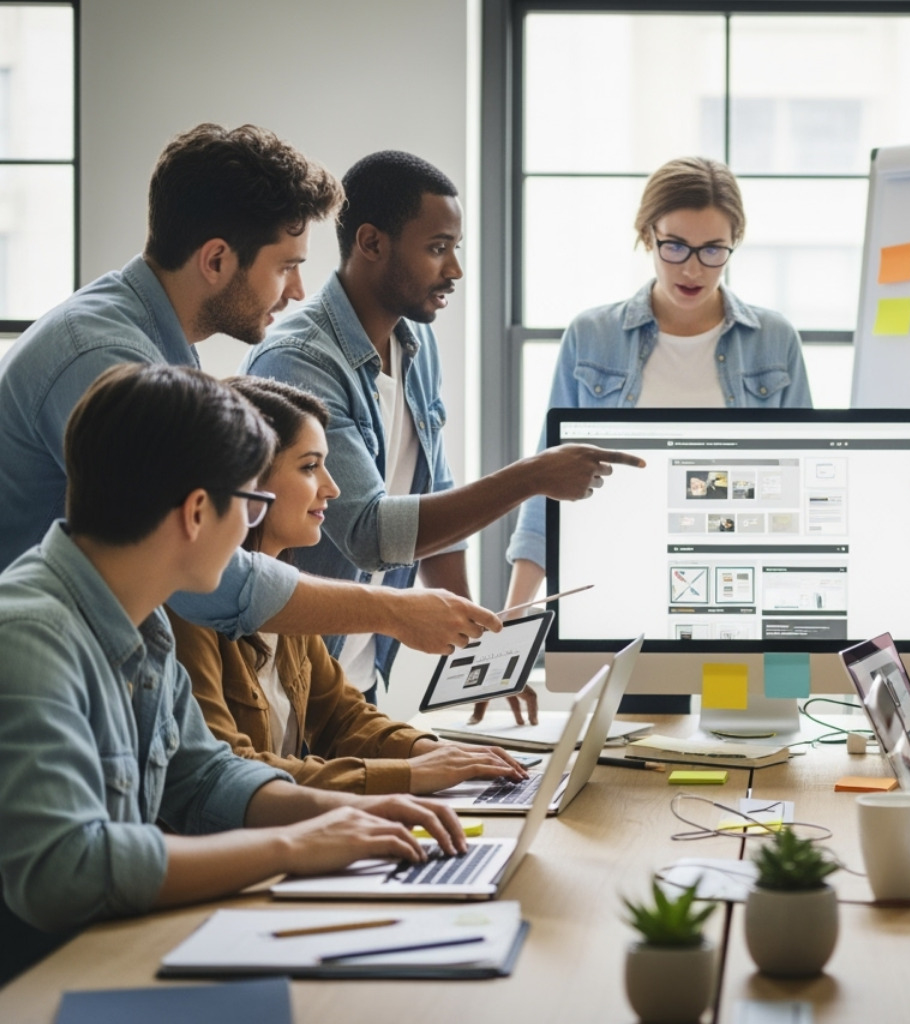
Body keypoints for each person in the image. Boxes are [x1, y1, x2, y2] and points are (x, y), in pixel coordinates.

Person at [0, 364, 468, 983]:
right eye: (249, 502)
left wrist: (356, 811)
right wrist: (294, 847)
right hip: (41, 987)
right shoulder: (31, 638)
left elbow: (202, 778)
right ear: (198, 512)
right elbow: (65, 871)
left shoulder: (143, 622)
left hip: (114, 955)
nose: (251, 531)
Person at [0, 123, 499, 658]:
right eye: (286, 266)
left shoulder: (157, 345)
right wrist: (392, 611)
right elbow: (204, 574)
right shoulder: (102, 357)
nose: (298, 291)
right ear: (216, 260)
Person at [244, 151, 642, 703]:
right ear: (371, 243)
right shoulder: (299, 359)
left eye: (455, 248)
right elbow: (371, 534)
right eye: (437, 249)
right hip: (290, 684)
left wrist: (481, 654)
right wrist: (531, 477)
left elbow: (432, 499)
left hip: (358, 681)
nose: (454, 268)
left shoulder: (415, 341)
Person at [500, 155, 812, 718]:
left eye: (713, 250)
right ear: (647, 236)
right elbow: (547, 484)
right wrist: (513, 624)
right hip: (626, 597)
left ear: (734, 243)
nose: (692, 268)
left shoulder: (774, 340)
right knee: (640, 763)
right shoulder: (592, 337)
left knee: (753, 754)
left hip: (744, 602)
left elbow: (800, 487)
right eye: (675, 246)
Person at [170, 377, 530, 794]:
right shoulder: (189, 606)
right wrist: (411, 775)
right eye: (309, 466)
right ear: (249, 478)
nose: (332, 487)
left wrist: (433, 751)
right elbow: (230, 772)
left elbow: (342, 717)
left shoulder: (289, 596)